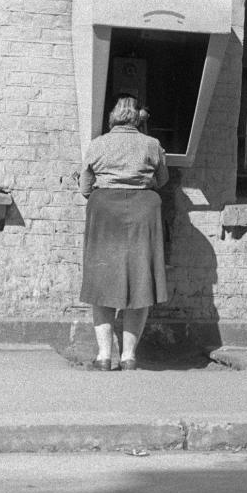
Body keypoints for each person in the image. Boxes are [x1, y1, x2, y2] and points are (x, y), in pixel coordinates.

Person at [78, 95, 168, 371]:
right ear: (139, 117)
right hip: (143, 212)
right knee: (140, 283)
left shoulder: (98, 144)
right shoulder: (152, 144)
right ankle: (129, 356)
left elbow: (85, 186)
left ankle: (104, 355)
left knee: (102, 283)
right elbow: (163, 180)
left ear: (113, 116)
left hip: (105, 213)